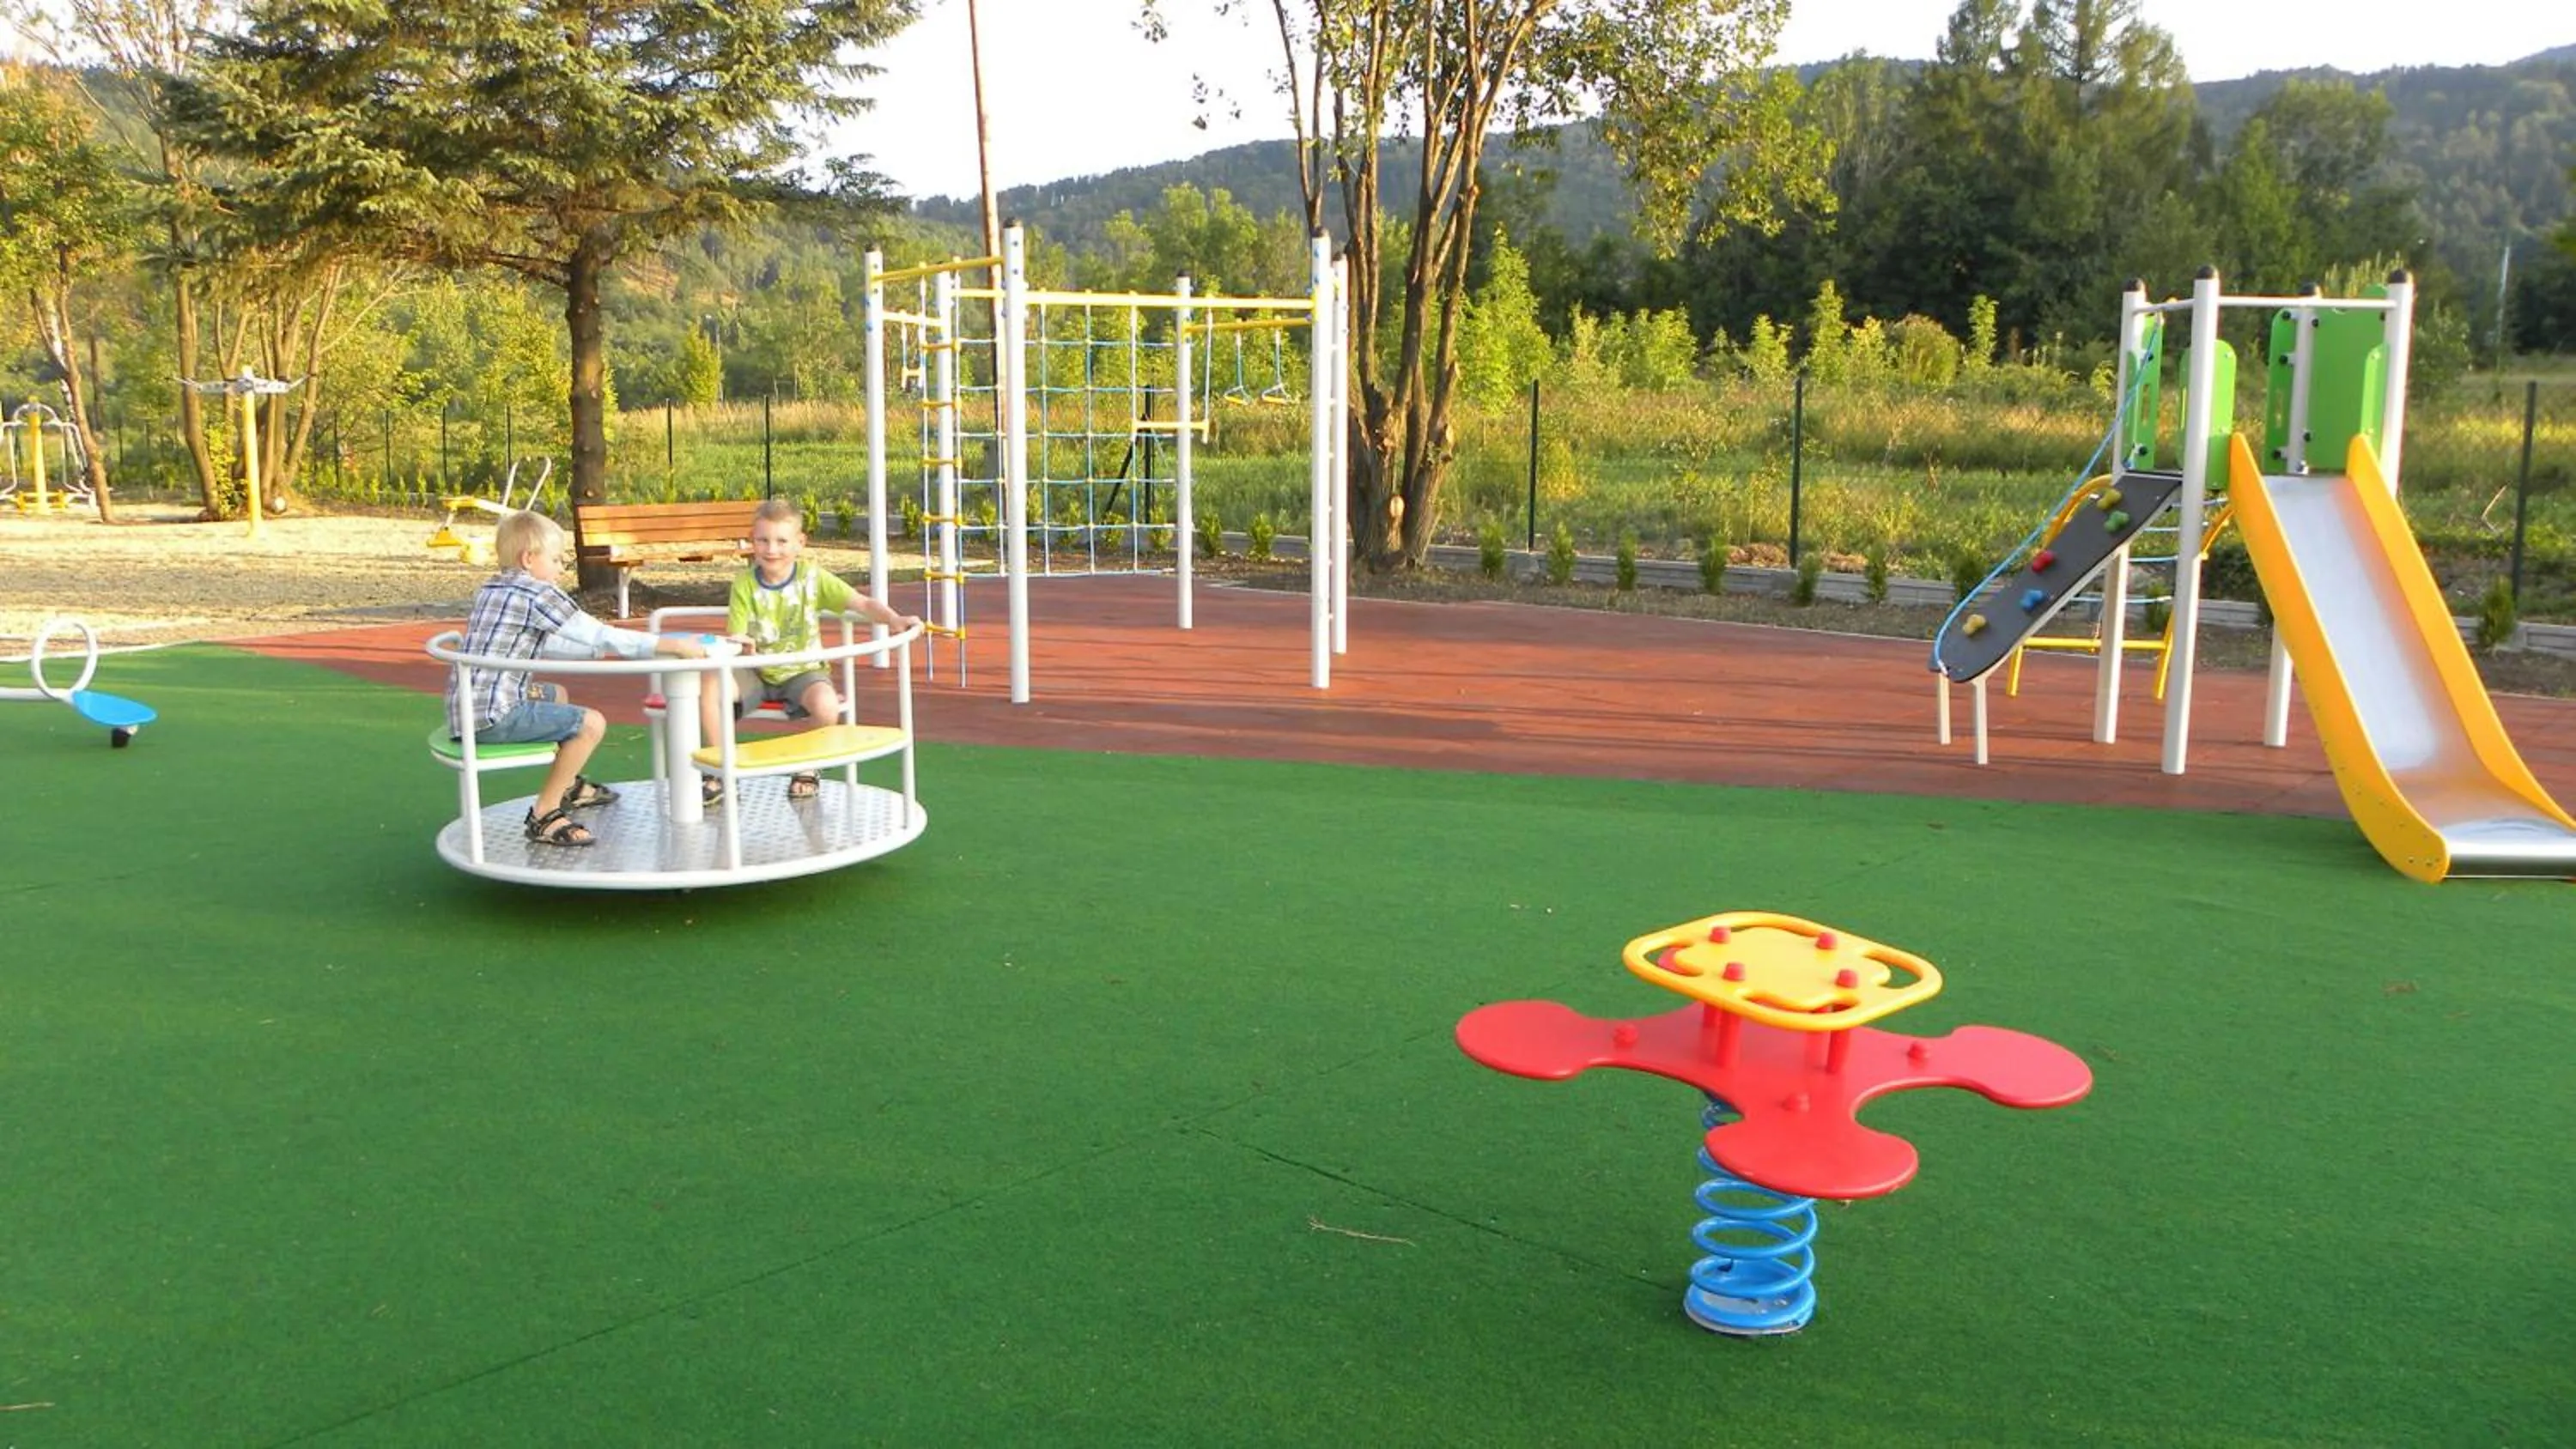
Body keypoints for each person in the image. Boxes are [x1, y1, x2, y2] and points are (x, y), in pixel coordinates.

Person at [448, 508, 710, 848]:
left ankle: (568, 783)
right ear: (529, 559)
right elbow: (598, 633)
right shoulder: (537, 593)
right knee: (591, 724)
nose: (561, 569)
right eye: (557, 560)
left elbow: (546, 641)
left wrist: (594, 651)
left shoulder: (494, 588)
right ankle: (545, 812)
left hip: (469, 709)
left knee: (556, 693)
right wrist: (667, 644)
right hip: (494, 716)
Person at [703, 496, 920, 800]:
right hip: (756, 670)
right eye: (763, 540)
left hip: (803, 671)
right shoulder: (745, 583)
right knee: (711, 685)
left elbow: (862, 603)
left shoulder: (812, 577)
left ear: (800, 543)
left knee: (826, 705)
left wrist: (894, 619)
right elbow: (737, 635)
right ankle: (721, 768)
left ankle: (807, 767)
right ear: (752, 541)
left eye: (781, 541)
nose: (772, 549)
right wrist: (741, 647)